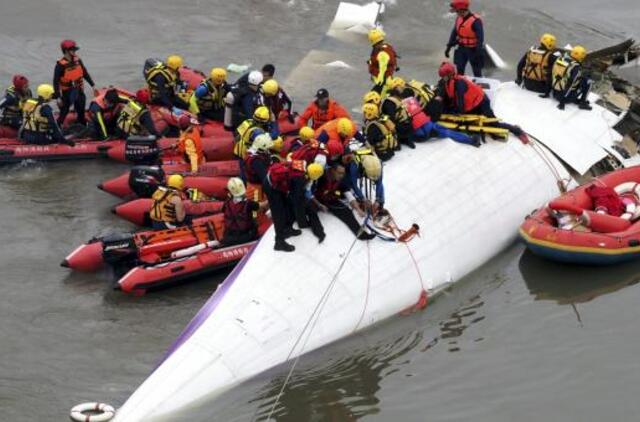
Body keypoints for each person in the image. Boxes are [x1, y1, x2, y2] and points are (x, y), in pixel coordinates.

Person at [438, 62, 528, 142]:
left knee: (493, 124)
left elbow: (460, 107)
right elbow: (443, 94)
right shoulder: (447, 82)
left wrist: (454, 114)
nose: (443, 79)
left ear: (450, 75)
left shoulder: (459, 84)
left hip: (482, 103)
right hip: (472, 104)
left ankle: (517, 130)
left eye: (444, 77)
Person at [264, 160, 325, 251]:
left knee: (286, 206)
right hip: (271, 186)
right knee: (278, 215)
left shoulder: (304, 164)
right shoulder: (300, 180)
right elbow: (297, 204)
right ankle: (279, 242)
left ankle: (288, 229)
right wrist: (303, 223)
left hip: (276, 181)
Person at [312, 164, 375, 240]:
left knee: (347, 212)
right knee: (311, 213)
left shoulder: (340, 181)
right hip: (315, 200)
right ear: (332, 171)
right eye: (339, 173)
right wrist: (319, 204)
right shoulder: (320, 177)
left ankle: (361, 234)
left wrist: (358, 209)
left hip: (330, 199)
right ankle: (319, 234)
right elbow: (309, 191)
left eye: (343, 173)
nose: (341, 176)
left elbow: (348, 195)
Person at [402, 95, 481, 147]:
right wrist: (428, 135)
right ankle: (471, 141)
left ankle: (468, 137)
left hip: (427, 124)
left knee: (446, 129)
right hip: (426, 130)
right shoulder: (408, 104)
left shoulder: (405, 105)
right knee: (447, 132)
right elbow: (417, 133)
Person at [53, 40, 97, 127]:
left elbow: (84, 73)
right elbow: (55, 82)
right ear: (66, 51)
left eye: (74, 50)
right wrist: (58, 97)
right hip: (67, 93)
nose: (74, 51)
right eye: (72, 50)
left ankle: (81, 123)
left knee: (81, 108)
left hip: (79, 90)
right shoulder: (60, 65)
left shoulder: (78, 60)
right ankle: (58, 126)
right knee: (64, 111)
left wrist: (93, 85)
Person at [221, 178, 268, 246]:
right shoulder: (248, 203)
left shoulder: (226, 203)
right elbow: (262, 205)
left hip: (229, 237)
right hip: (247, 236)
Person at [445, 0, 484, 77]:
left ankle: (479, 86)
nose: (456, 13)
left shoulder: (476, 21)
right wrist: (448, 47)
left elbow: (480, 38)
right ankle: (460, 86)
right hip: (461, 48)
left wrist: (478, 52)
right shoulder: (458, 19)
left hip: (473, 49)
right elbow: (454, 33)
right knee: (459, 69)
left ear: (462, 10)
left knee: (477, 71)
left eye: (457, 11)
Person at [548, 45, 592, 110]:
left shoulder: (561, 59)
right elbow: (570, 84)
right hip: (563, 98)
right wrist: (562, 102)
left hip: (553, 92)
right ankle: (583, 103)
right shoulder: (575, 67)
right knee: (588, 81)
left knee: (577, 79)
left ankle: (573, 98)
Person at [344, 151, 384, 216]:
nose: (372, 179)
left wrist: (378, 200)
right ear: (364, 170)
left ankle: (380, 203)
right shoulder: (355, 166)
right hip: (356, 170)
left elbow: (379, 182)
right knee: (349, 182)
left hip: (367, 170)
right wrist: (363, 199)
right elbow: (354, 184)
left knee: (379, 182)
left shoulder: (379, 164)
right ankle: (357, 199)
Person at [381, 77, 415, 149]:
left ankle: (402, 139)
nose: (403, 89)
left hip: (403, 126)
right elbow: (392, 117)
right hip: (403, 126)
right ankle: (403, 139)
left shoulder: (395, 99)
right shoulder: (391, 102)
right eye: (401, 88)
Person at [367, 28, 399, 93]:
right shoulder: (386, 47)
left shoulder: (382, 54)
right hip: (386, 78)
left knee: (382, 95)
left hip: (384, 81)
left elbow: (382, 69)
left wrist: (380, 81)